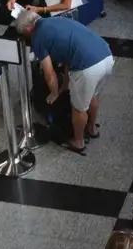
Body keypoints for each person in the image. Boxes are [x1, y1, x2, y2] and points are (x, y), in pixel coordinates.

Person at [15, 10, 115, 155]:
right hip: (106, 55)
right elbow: (68, 59)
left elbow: (49, 74)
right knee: (93, 95)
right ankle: (92, 129)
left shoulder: (38, 37)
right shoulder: (56, 20)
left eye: (25, 34)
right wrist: (64, 86)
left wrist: (54, 93)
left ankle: (78, 142)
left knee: (78, 108)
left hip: (87, 66)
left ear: (28, 29)